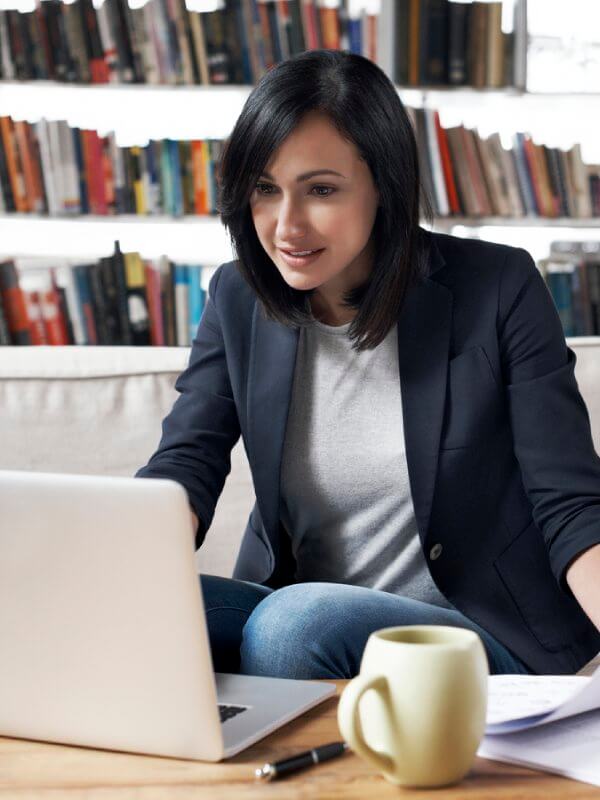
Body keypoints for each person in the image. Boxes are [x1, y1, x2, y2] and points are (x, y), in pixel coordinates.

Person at [136, 49, 600, 679]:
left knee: (292, 627)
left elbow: (571, 500)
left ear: (383, 184)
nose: (286, 226)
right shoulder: (237, 295)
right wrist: (123, 563)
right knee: (128, 609)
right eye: (266, 190)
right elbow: (187, 459)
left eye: (321, 190)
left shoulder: (499, 286)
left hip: (472, 632)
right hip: (297, 608)